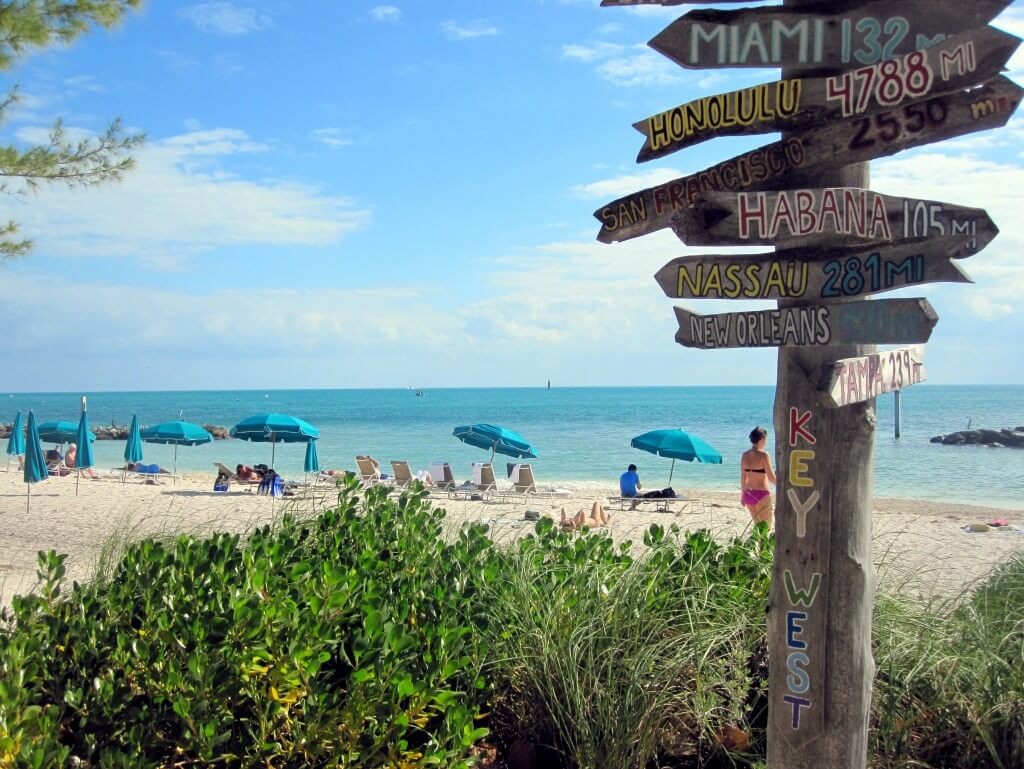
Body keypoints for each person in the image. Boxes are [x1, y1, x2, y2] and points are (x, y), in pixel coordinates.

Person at [741, 426, 777, 525]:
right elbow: (771, 478)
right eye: (766, 439)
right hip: (762, 495)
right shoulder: (764, 455)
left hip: (748, 494)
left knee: (757, 527)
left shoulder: (745, 455)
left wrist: (742, 496)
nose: (766, 442)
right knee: (766, 527)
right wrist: (783, 485)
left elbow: (743, 477)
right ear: (762, 439)